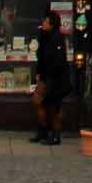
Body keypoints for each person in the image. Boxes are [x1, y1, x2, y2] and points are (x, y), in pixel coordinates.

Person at [31, 11, 71, 145]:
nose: (43, 24)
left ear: (52, 25)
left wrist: (51, 79)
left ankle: (55, 135)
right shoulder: (44, 36)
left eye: (46, 22)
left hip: (56, 78)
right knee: (37, 101)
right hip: (45, 76)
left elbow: (58, 61)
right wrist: (39, 73)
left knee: (54, 107)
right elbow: (41, 57)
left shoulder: (57, 38)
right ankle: (43, 130)